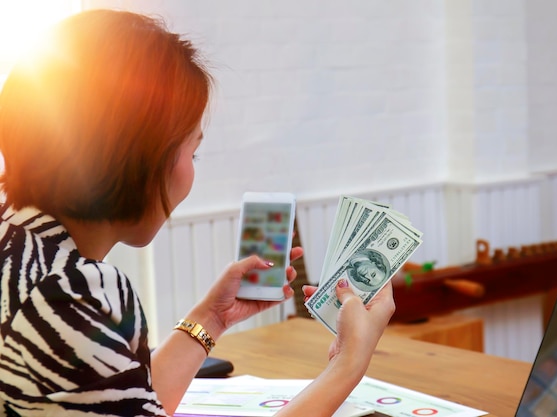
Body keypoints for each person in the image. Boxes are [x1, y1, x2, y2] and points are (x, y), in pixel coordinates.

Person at [0, 9, 395, 417]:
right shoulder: (68, 295)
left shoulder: (17, 248)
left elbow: (121, 402)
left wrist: (211, 317)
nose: (192, 171)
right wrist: (349, 363)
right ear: (142, 157)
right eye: (193, 150)